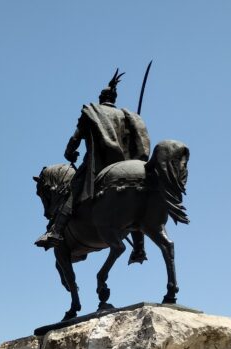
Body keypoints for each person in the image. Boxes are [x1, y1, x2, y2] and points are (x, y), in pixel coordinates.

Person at [35, 69, 151, 263]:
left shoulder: (91, 112)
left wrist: (69, 153)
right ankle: (139, 248)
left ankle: (55, 232)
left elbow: (74, 140)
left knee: (73, 189)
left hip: (97, 166)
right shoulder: (125, 115)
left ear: (101, 98)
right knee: (136, 197)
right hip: (125, 163)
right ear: (114, 98)